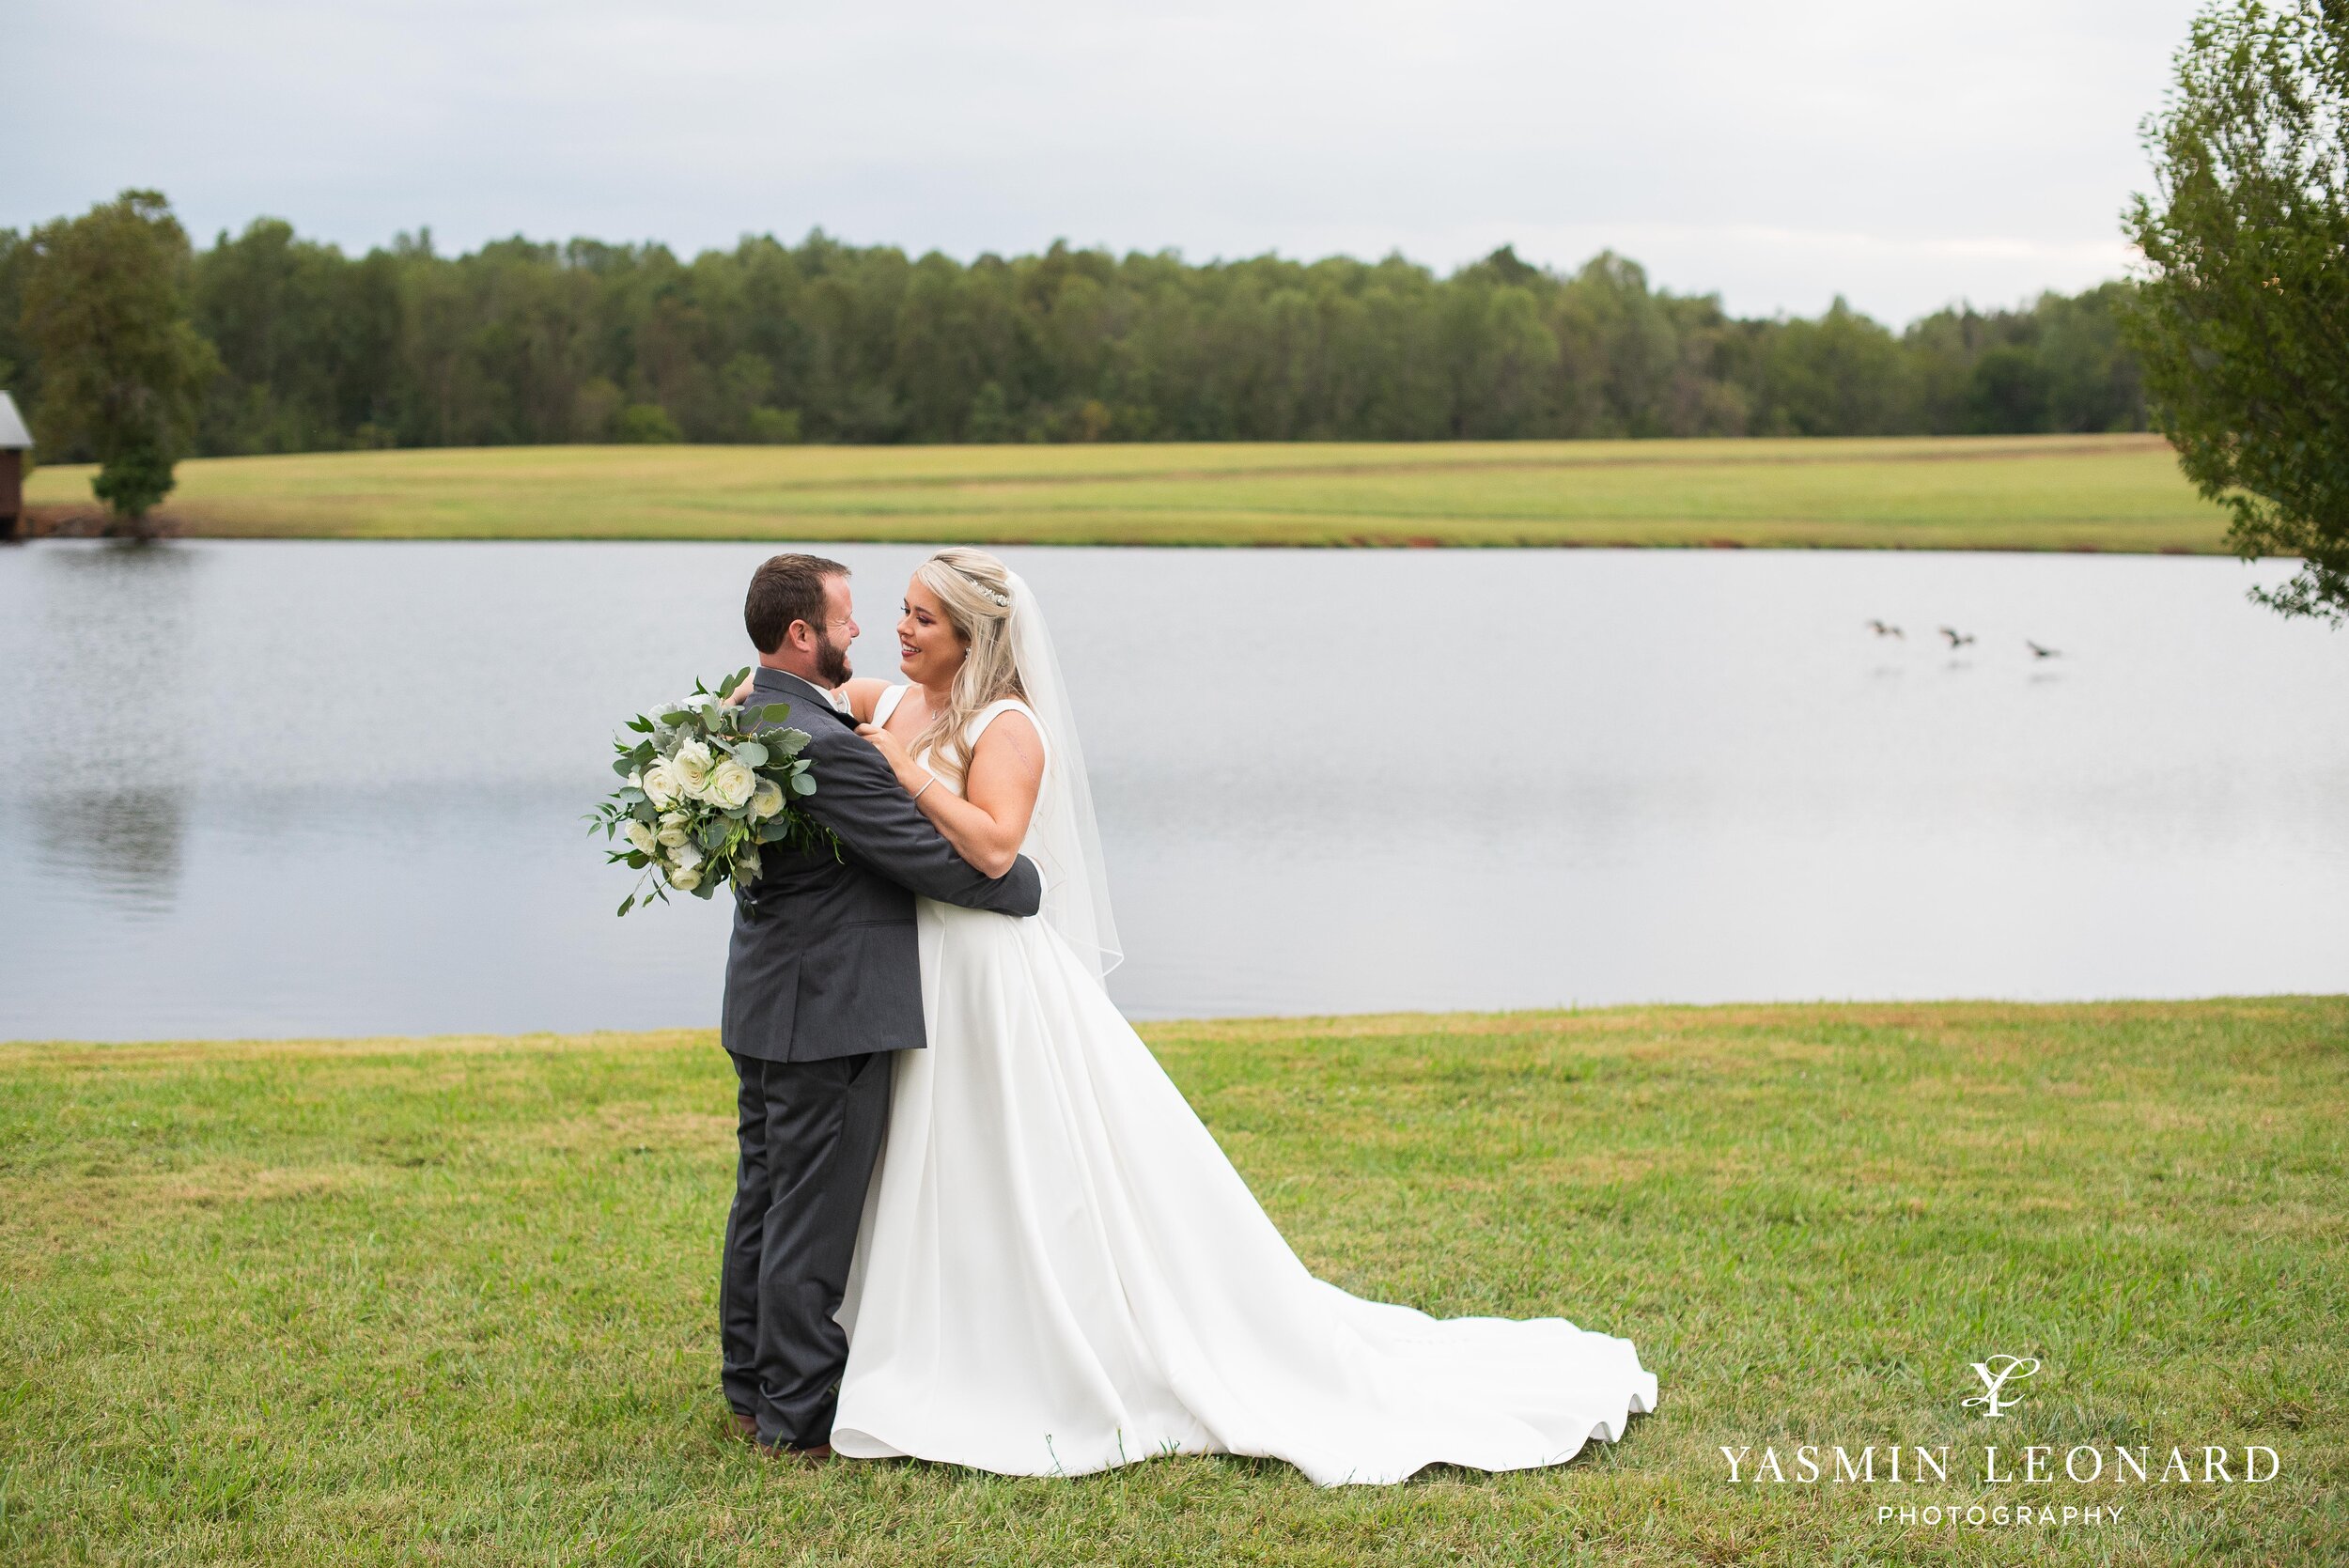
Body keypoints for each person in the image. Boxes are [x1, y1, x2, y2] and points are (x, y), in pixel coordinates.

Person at [811, 546, 1657, 1485]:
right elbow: (804, 698)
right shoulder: (889, 702)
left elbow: (998, 848)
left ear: (973, 635)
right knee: (925, 1148)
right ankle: (917, 1328)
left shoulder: (1008, 726)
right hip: (918, 967)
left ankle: (1028, 1348)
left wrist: (902, 770)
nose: (901, 627)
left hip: (991, 973)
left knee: (1007, 1152)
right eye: (902, 610)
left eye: (923, 617)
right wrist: (739, 707)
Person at [717, 553, 1043, 1458]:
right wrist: (1026, 888)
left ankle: (748, 1385)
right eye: (855, 616)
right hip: (834, 1008)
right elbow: (938, 862)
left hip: (766, 997)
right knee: (807, 1219)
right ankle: (795, 1415)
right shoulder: (823, 744)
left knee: (765, 1198)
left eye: (911, 616)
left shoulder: (758, 717)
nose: (870, 630)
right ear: (801, 634)